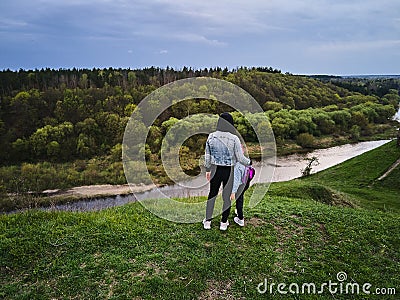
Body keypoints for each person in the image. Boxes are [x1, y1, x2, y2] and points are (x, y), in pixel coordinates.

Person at [203, 112, 251, 230]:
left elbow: (207, 157)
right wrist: (249, 162)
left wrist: (208, 169)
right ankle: (223, 223)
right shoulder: (234, 138)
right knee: (226, 197)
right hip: (229, 171)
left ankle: (208, 221)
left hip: (215, 169)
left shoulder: (211, 136)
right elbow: (240, 158)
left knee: (212, 195)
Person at [230, 155, 254, 227]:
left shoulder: (237, 166)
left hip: (240, 185)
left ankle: (240, 219)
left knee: (239, 200)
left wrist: (233, 192)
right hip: (246, 184)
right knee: (240, 197)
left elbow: (236, 181)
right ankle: (238, 211)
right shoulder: (246, 160)